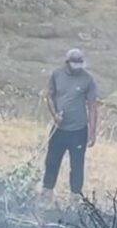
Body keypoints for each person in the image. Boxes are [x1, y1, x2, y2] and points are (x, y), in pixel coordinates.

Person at [42, 48, 99, 199]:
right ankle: (46, 195)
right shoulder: (57, 75)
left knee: (77, 167)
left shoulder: (87, 80)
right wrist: (55, 115)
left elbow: (92, 106)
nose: (77, 69)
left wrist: (92, 132)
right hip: (59, 130)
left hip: (78, 131)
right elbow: (49, 96)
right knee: (51, 162)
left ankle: (75, 200)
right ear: (67, 63)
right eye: (74, 65)